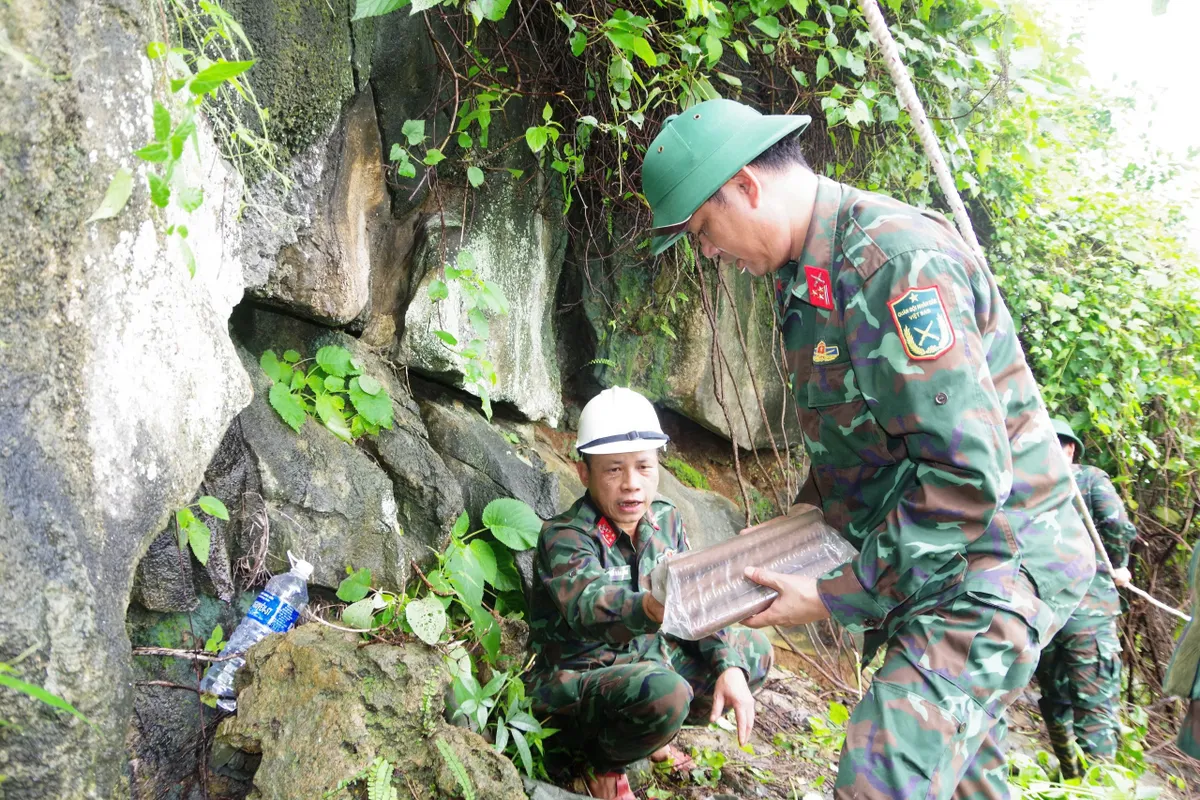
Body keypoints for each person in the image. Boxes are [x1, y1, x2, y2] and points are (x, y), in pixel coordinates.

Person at [640, 98, 1096, 799]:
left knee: (879, 779)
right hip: (928, 563)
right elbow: (851, 462)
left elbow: (968, 475)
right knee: (962, 781)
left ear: (746, 186)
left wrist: (831, 594)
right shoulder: (808, 285)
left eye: (703, 228)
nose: (708, 253)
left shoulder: (894, 261)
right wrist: (777, 543)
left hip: (997, 558)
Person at [527, 387, 774, 800]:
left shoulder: (665, 519)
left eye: (643, 467)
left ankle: (650, 736)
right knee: (665, 691)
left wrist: (728, 664)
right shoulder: (565, 536)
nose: (631, 485)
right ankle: (602, 762)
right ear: (583, 472)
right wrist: (654, 606)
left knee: (755, 652)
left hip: (650, 662)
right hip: (577, 683)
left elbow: (697, 600)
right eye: (613, 470)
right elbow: (589, 608)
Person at [1035, 419, 1134, 778]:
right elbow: (1117, 523)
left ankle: (1071, 777)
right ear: (1071, 448)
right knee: (1095, 706)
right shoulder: (1089, 478)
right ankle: (1098, 785)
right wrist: (1118, 563)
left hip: (1042, 611)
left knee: (1055, 699)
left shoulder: (1023, 485)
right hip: (1088, 614)